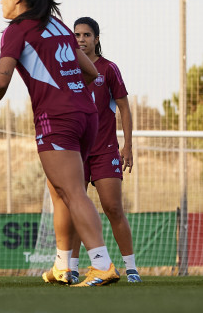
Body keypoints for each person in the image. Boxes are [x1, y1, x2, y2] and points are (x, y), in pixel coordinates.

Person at [0, 0, 119, 287]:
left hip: (57, 119)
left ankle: (101, 265)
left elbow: (1, 80)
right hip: (86, 116)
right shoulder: (58, 26)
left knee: (71, 191)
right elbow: (91, 71)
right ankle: (64, 266)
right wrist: (70, 93)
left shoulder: (16, 30)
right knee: (60, 192)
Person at [67, 17, 140, 283]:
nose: (81, 39)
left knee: (113, 208)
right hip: (74, 153)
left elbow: (124, 107)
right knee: (75, 208)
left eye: (86, 35)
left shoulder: (109, 69)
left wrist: (128, 145)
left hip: (105, 150)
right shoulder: (67, 68)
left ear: (96, 39)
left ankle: (130, 267)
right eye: (76, 35)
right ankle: (71, 268)